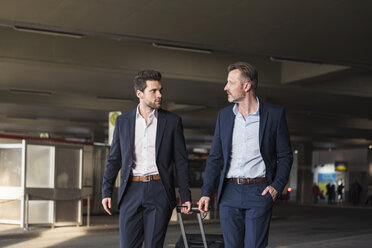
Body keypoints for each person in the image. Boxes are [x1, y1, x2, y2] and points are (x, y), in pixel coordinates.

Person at [198, 62, 293, 248]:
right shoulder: (224, 116)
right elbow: (215, 158)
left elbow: (285, 155)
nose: (226, 87)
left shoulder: (274, 115)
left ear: (246, 86)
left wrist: (276, 186)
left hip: (259, 191)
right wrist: (206, 193)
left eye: (231, 83)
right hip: (229, 192)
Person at [101, 70, 192, 248]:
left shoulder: (172, 121)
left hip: (159, 190)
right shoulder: (123, 121)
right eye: (154, 91)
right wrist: (106, 190)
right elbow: (114, 159)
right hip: (131, 191)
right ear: (139, 94)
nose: (160, 95)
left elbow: (181, 162)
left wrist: (185, 195)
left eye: (160, 90)